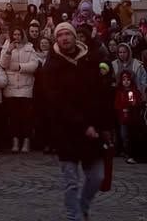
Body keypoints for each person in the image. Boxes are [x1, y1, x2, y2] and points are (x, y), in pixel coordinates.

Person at [43, 22, 113, 221]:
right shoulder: (51, 66)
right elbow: (57, 101)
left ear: (75, 37)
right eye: (60, 35)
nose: (64, 38)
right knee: (71, 181)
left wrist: (104, 126)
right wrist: (83, 125)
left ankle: (82, 206)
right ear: (56, 40)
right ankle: (74, 217)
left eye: (68, 34)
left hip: (93, 128)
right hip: (66, 131)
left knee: (97, 176)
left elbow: (100, 95)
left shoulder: (90, 59)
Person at [0, 26, 38, 153]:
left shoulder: (29, 47)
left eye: (18, 34)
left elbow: (34, 65)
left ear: (22, 35)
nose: (16, 37)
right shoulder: (7, 47)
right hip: (11, 87)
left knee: (26, 116)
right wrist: (9, 52)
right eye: (14, 34)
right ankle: (15, 141)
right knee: (14, 116)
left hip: (26, 87)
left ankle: (26, 141)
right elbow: (3, 64)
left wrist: (19, 66)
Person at [114, 69, 143, 164]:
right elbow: (117, 104)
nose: (126, 82)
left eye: (128, 79)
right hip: (122, 118)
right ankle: (126, 152)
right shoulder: (119, 92)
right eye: (124, 79)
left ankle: (130, 154)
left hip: (132, 119)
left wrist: (131, 105)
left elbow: (133, 103)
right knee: (123, 136)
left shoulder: (133, 91)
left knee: (130, 136)